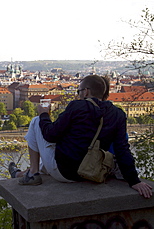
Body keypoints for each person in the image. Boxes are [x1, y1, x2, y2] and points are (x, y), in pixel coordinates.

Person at [9, 75, 152, 198]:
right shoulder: (118, 114)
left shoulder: (77, 106)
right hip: (93, 171)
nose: (78, 95)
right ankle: (23, 173)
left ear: (86, 91)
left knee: (36, 121)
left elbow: (50, 135)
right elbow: (122, 149)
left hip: (66, 173)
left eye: (79, 91)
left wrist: (44, 114)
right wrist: (135, 181)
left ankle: (33, 173)